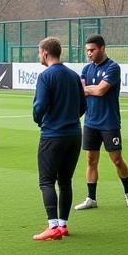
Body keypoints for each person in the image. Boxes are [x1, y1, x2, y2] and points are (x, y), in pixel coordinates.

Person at [31, 36, 86, 241]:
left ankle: (52, 226)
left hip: (53, 135)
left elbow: (40, 106)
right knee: (65, 181)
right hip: (74, 134)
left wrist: (40, 120)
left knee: (46, 181)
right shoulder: (73, 75)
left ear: (45, 53)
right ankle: (63, 225)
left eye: (39, 53)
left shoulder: (46, 76)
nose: (39, 56)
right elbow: (83, 106)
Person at [76, 34, 128, 210]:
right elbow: (83, 91)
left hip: (109, 122)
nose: (89, 53)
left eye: (92, 50)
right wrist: (90, 90)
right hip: (90, 122)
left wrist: (88, 90)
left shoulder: (113, 67)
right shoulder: (86, 69)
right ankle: (91, 198)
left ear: (102, 48)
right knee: (90, 160)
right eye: (87, 50)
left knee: (117, 160)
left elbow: (101, 90)